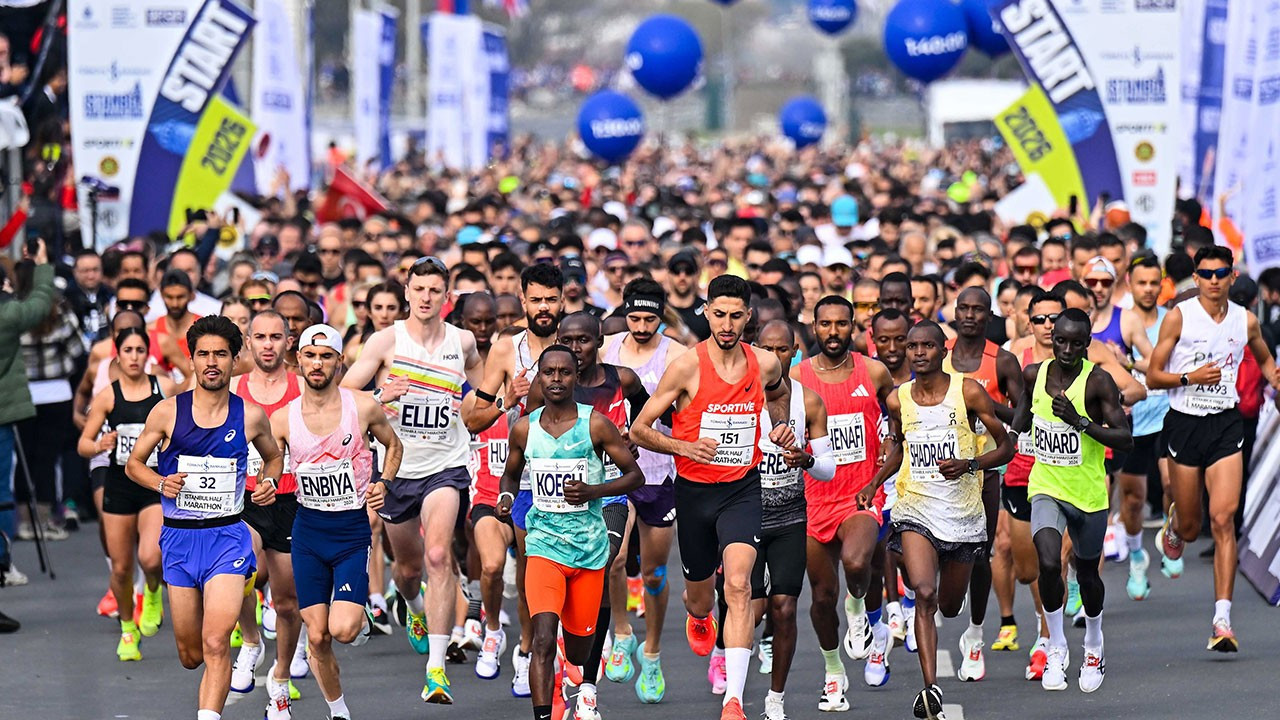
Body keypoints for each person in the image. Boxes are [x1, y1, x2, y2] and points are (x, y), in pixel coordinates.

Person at [631, 275, 796, 720]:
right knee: (701, 598)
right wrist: (685, 447)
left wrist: (779, 423)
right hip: (694, 493)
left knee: (739, 586)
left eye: (735, 316)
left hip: (742, 488)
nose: (726, 324)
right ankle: (701, 616)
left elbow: (779, 393)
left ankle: (734, 701)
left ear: (749, 318)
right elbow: (640, 429)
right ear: (706, 312)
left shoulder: (764, 363)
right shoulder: (687, 366)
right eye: (718, 314)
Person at [125, 316, 284, 720]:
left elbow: (274, 457)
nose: (212, 362)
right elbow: (133, 465)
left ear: (235, 360)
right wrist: (161, 483)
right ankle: (243, 619)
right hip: (178, 540)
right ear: (192, 360)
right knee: (191, 654)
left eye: (221, 354)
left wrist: (268, 482)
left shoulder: (249, 416)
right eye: (203, 354)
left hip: (228, 537)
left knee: (215, 644)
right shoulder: (166, 412)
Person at [342, 255, 483, 704]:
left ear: (447, 296)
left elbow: (484, 391)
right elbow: (343, 396)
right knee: (407, 570)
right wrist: (382, 395)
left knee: (439, 553)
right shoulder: (385, 342)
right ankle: (415, 608)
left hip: (446, 464)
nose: (425, 297)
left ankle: (436, 669)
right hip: (397, 469)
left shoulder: (462, 342)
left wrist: (496, 406)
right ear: (407, 292)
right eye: (418, 289)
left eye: (434, 290)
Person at [857, 321, 1013, 720]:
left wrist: (970, 464)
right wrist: (874, 483)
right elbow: (898, 450)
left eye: (927, 345)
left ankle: (953, 633)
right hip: (916, 506)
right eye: (913, 346)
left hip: (962, 511)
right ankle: (931, 691)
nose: (919, 352)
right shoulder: (897, 399)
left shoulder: (968, 391)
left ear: (943, 349)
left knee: (949, 603)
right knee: (924, 594)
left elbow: (1007, 446)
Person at [495, 344, 645, 720]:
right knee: (542, 638)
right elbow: (511, 475)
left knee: (578, 651)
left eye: (565, 372)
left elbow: (634, 476)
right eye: (549, 373)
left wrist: (593, 491)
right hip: (544, 544)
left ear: (576, 377)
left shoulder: (594, 424)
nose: (557, 379)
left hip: (589, 549)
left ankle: (572, 656)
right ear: (539, 378)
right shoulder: (525, 428)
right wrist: (506, 497)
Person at [1144, 245, 1280, 651]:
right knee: (1191, 525)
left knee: (1223, 519)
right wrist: (1190, 377)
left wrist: (1276, 378)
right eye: (1206, 274)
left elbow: (1267, 364)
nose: (1214, 280)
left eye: (1221, 272)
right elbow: (1153, 376)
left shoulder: (1247, 321)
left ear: (1232, 276)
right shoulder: (1178, 317)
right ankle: (1175, 523)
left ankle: (1222, 619)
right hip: (1184, 424)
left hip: (1225, 425)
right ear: (1197, 278)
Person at [271, 324, 404, 720]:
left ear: (339, 361)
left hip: (350, 532)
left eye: (326, 356)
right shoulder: (282, 419)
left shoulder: (361, 407)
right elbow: (270, 468)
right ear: (298, 361)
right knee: (317, 634)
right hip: (308, 531)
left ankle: (357, 611)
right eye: (310, 356)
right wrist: (264, 485)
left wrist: (384, 483)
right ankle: (339, 711)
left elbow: (393, 445)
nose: (317, 363)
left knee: (343, 629)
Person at [1012, 308, 1133, 693]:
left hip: (1088, 494)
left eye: (1075, 343)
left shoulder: (1098, 382)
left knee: (1087, 574)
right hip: (1046, 486)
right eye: (1059, 340)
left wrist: (1079, 421)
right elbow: (1021, 421)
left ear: (1086, 344)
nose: (1065, 348)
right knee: (1048, 563)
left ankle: (1094, 642)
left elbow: (1124, 437)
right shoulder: (1034, 374)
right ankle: (1058, 645)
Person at [464, 263, 566, 697]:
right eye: (536, 300)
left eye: (551, 299)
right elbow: (473, 418)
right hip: (508, 480)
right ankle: (495, 630)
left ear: (563, 300)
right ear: (522, 302)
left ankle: (527, 652)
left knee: (531, 574)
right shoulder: (507, 350)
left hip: (557, 480)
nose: (544, 308)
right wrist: (509, 398)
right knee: (494, 565)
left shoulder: (574, 346)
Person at [792, 295, 896, 706]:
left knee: (856, 563)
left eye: (840, 324)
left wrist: (889, 439)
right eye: (824, 324)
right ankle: (834, 671)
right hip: (813, 497)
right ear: (813, 327)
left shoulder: (873, 371)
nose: (832, 332)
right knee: (820, 597)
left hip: (861, 493)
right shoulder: (797, 377)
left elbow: (895, 416)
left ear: (853, 326)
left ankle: (859, 609)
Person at [600, 279, 687, 697]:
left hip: (659, 474)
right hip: (616, 473)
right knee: (614, 560)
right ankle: (621, 632)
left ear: (662, 316)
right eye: (633, 317)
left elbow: (689, 414)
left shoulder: (677, 355)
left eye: (649, 319)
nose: (640, 326)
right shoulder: (607, 349)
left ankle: (651, 653)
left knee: (652, 573)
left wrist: (646, 431)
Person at [75, 325, 177, 659]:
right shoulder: (107, 395)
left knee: (150, 556)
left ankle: (151, 592)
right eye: (128, 351)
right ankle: (128, 630)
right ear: (118, 355)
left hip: (151, 483)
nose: (134, 357)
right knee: (120, 568)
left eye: (140, 350)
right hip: (118, 487)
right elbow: (83, 444)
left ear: (148, 354)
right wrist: (100, 444)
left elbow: (184, 423)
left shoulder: (163, 387)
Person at [752, 319, 835, 720]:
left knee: (784, 607)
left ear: (794, 352)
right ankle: (731, 677)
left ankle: (775, 701)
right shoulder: (737, 399)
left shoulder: (810, 402)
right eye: (766, 349)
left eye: (782, 349)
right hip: (743, 515)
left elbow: (828, 470)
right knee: (746, 611)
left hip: (789, 516)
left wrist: (805, 459)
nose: (774, 357)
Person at [943, 287, 1024, 682]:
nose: (970, 315)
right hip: (937, 470)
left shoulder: (1003, 360)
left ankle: (974, 634)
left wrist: (986, 406)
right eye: (964, 308)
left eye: (978, 309)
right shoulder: (935, 350)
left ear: (989, 315)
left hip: (984, 468)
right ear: (955, 312)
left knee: (981, 551)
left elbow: (1023, 418)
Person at [228, 311, 305, 704]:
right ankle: (252, 640)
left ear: (289, 341)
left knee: (288, 600)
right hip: (245, 497)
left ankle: (281, 671)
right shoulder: (234, 387)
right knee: (241, 565)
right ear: (248, 341)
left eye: (276, 336)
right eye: (260, 337)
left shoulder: (304, 386)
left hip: (293, 498)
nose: (268, 344)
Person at [1116, 255, 1170, 596]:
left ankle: (1172, 532)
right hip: (1132, 423)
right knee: (1133, 501)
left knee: (1172, 485)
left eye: (1154, 283)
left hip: (1167, 415)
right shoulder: (1119, 321)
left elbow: (1166, 364)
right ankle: (1137, 554)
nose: (1148, 289)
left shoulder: (1172, 320)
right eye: (1142, 283)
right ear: (1129, 284)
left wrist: (1130, 361)